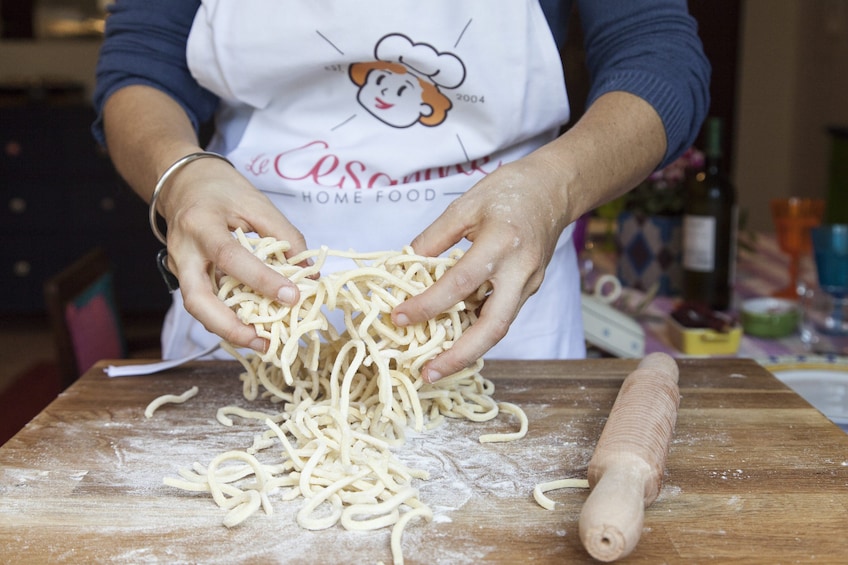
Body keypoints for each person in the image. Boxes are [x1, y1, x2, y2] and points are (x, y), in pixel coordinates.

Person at [93, 0, 710, 383]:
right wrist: (181, 174)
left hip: (496, 313)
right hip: (248, 309)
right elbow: (140, 68)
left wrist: (555, 185)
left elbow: (658, 57)